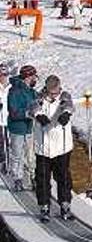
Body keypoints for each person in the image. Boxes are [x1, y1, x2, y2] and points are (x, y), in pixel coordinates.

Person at [31, 75, 75, 223]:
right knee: (42, 178)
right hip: (43, 147)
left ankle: (65, 205)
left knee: (63, 178)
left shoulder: (64, 97)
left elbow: (69, 105)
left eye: (55, 91)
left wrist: (66, 114)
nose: (54, 95)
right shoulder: (38, 98)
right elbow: (32, 108)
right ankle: (44, 207)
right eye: (51, 92)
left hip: (62, 147)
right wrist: (39, 115)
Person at [7, 65, 38, 192]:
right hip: (18, 128)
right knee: (17, 154)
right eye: (34, 76)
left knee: (31, 155)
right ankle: (17, 178)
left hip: (30, 128)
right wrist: (27, 113)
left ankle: (33, 177)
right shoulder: (14, 91)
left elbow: (37, 103)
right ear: (28, 77)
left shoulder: (32, 91)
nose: (35, 79)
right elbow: (13, 112)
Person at [0, 63, 10, 173]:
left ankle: (9, 163)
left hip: (9, 118)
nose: (3, 77)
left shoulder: (11, 87)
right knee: (0, 142)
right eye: (1, 74)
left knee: (9, 142)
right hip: (0, 119)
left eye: (5, 74)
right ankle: (2, 161)